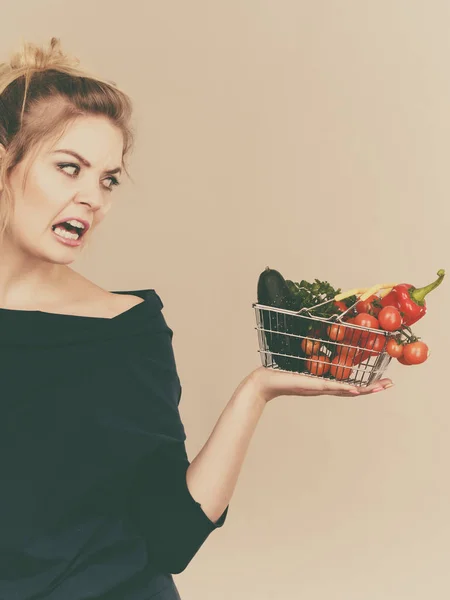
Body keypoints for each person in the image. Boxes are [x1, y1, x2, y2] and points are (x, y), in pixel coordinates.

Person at [0, 37, 394, 600]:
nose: (94, 198)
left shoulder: (124, 330)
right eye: (69, 169)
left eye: (108, 179)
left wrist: (256, 392)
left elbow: (169, 539)